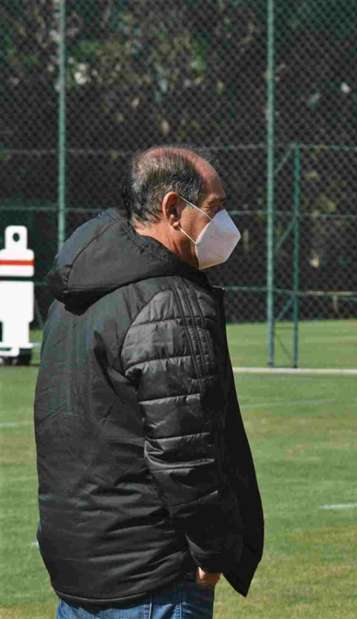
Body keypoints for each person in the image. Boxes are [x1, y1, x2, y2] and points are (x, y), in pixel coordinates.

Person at [34, 146, 263, 618]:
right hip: (154, 578)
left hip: (81, 571)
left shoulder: (72, 298)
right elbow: (185, 450)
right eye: (215, 209)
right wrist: (212, 552)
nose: (226, 225)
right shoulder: (169, 301)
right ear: (173, 210)